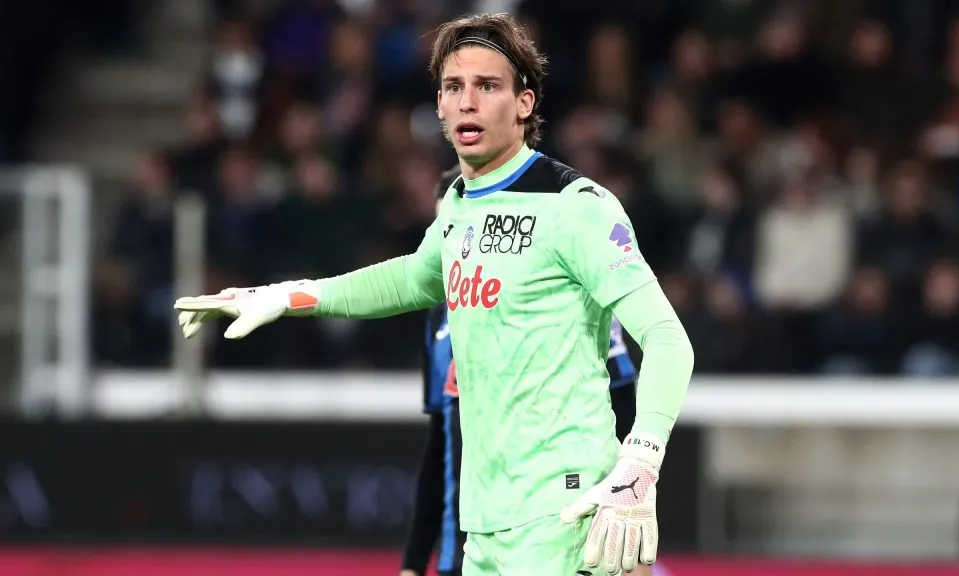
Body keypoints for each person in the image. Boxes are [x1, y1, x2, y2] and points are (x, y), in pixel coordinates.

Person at [175, 12, 694, 575]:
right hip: (485, 524)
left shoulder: (578, 206)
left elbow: (668, 338)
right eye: (454, 87)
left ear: (524, 104)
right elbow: (412, 277)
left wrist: (639, 463)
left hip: (564, 515)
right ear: (440, 107)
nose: (467, 101)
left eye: (487, 86)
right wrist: (291, 296)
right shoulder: (459, 208)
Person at [400, 167, 647, 576]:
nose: (457, 246)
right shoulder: (438, 321)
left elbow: (624, 404)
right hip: (469, 541)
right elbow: (440, 444)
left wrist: (628, 499)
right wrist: (412, 562)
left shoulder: (570, 293)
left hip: (552, 519)